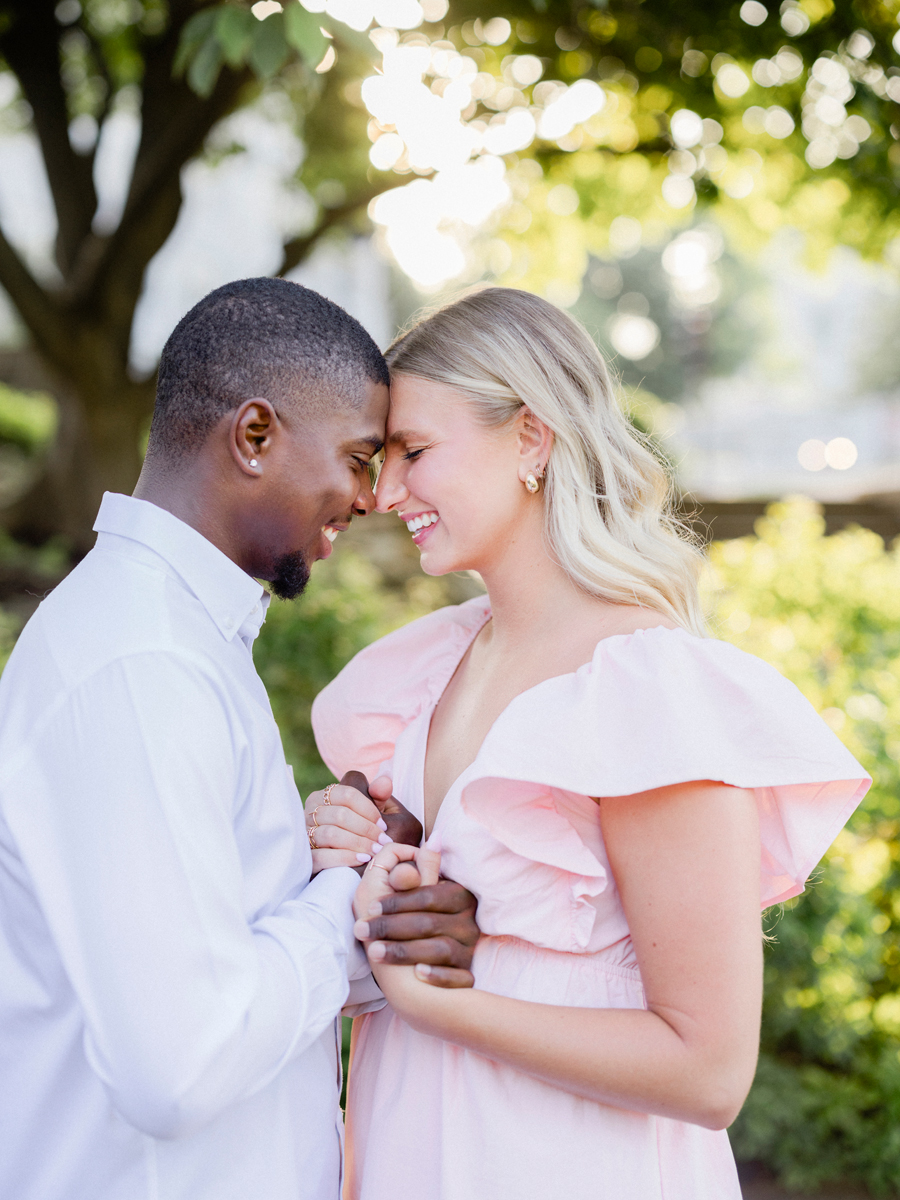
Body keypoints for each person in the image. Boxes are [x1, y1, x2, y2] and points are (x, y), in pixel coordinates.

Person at [309, 287, 871, 1200]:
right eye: (382, 459)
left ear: (530, 438)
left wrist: (442, 1003)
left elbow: (709, 1070)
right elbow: (438, 917)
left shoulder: (647, 696)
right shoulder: (427, 670)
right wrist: (358, 858)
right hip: (410, 1149)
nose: (385, 492)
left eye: (415, 452)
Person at [0, 277, 479, 1200]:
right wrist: (350, 898)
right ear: (254, 437)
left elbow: (216, 961)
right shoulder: (140, 664)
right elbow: (180, 1064)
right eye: (357, 456)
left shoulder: (176, 639)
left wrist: (368, 910)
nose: (371, 496)